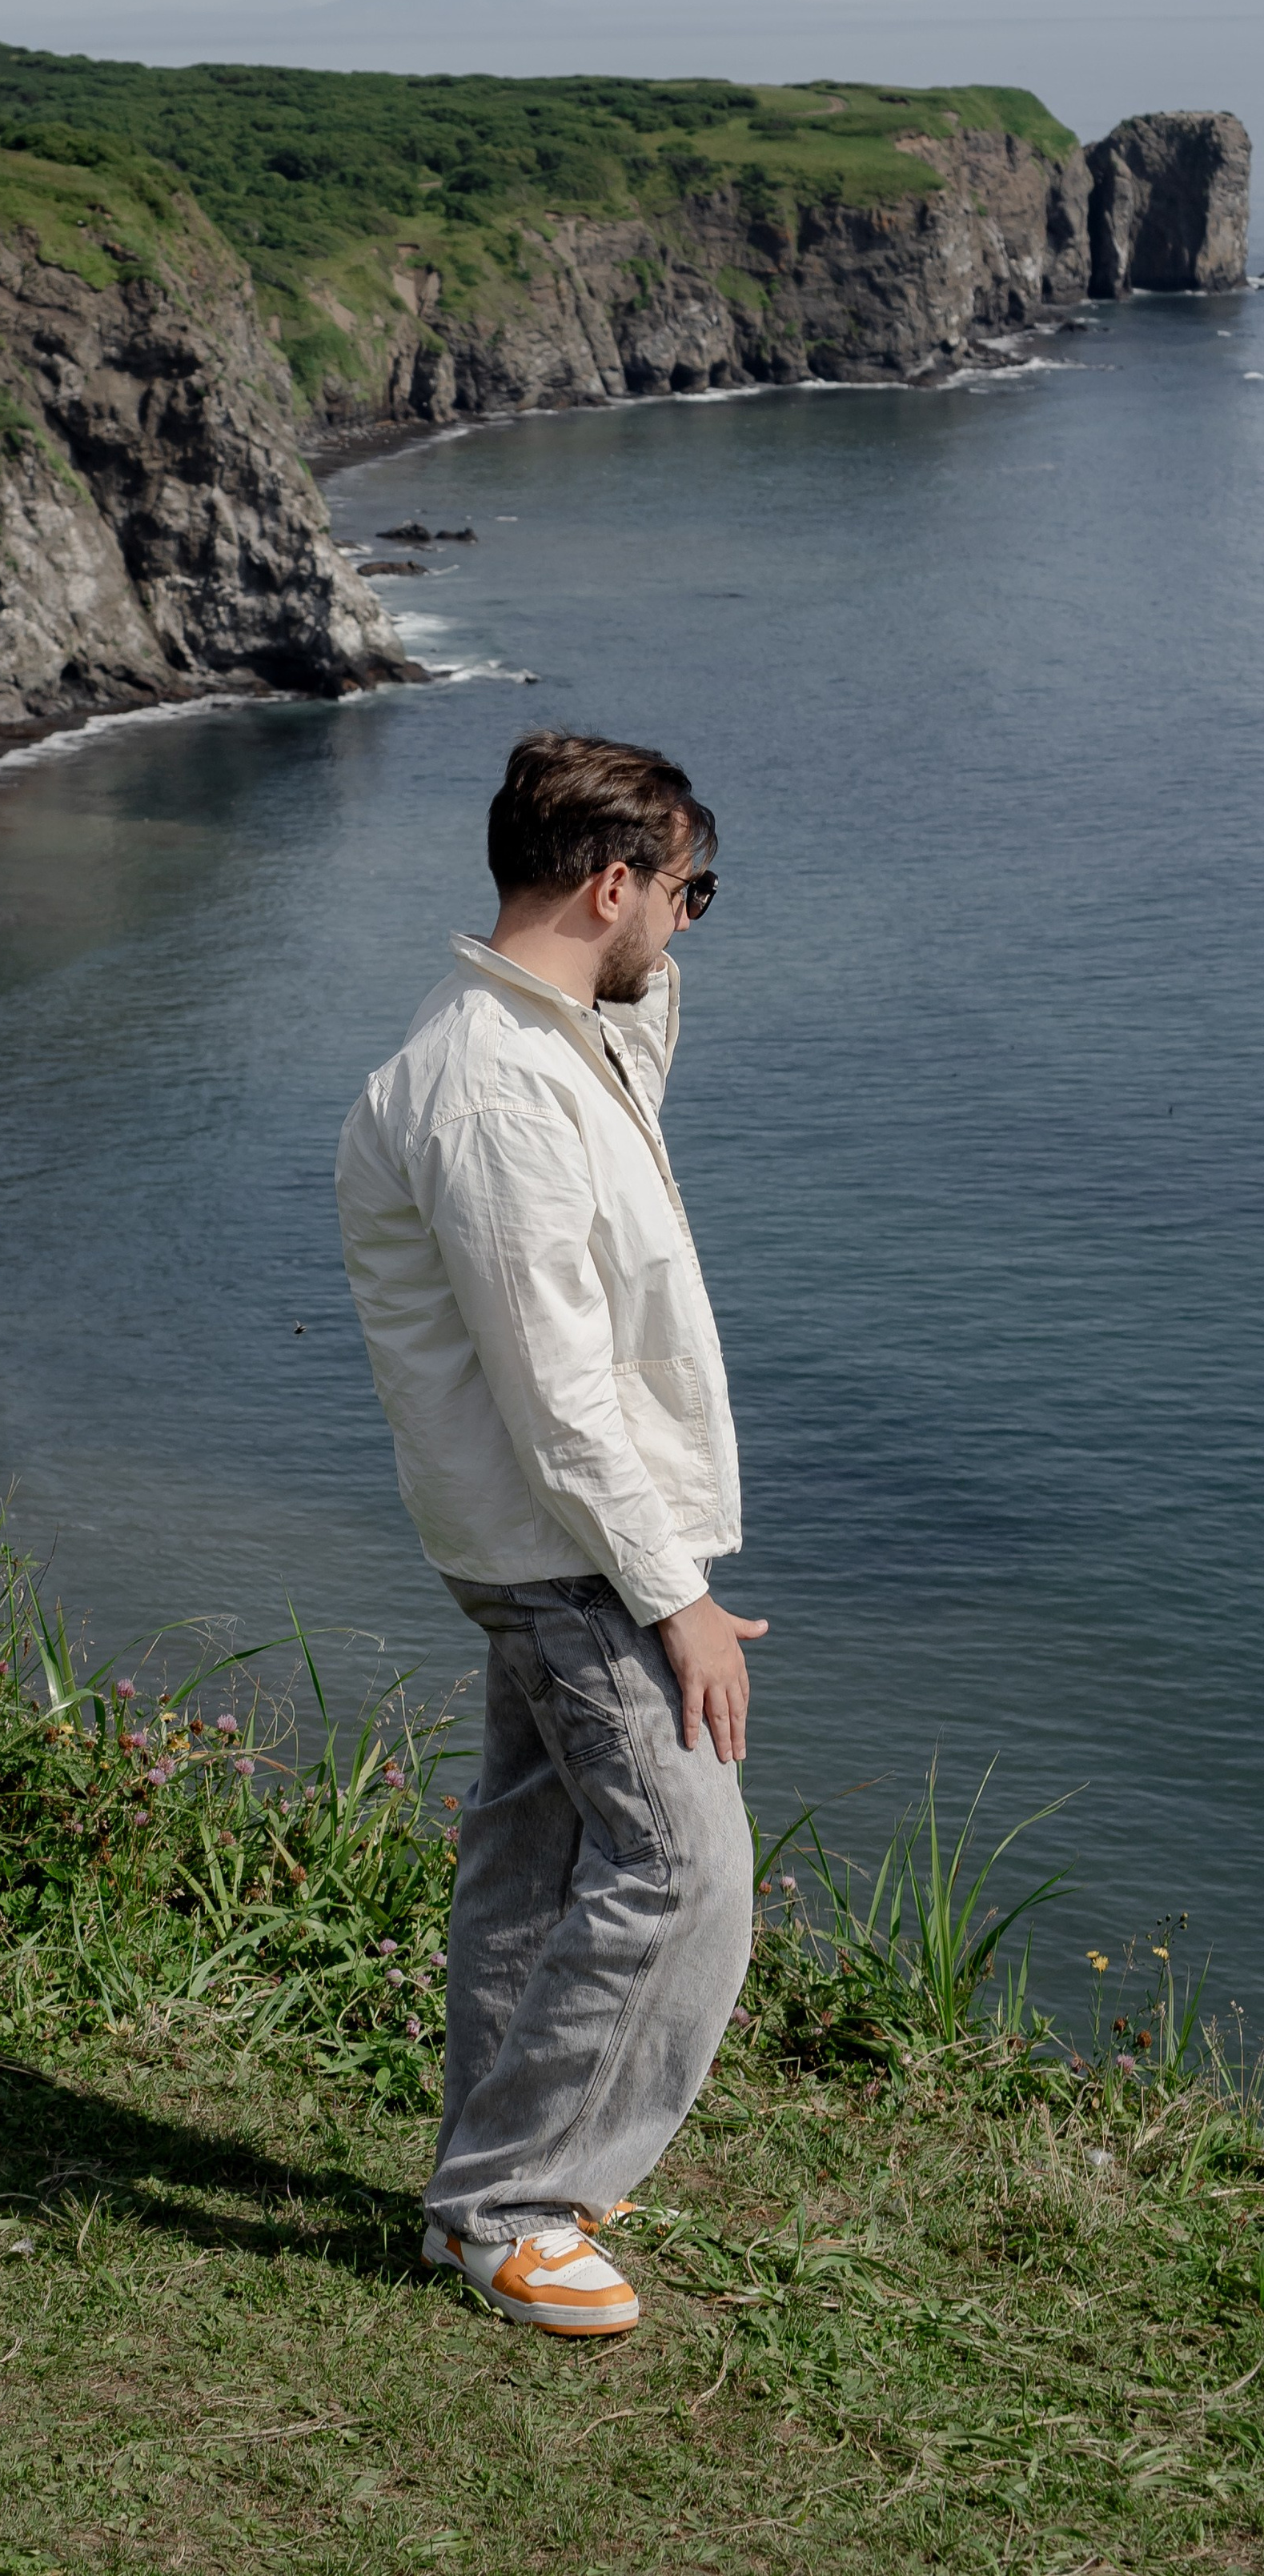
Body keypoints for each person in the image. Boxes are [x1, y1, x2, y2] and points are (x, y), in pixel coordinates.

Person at [335, 730, 766, 2339]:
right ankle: (512, 2206)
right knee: (680, 1872)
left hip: (544, 1530)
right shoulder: (494, 1095)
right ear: (608, 886)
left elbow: (634, 1036)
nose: (689, 921)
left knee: (530, 1859)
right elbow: (558, 1388)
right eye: (682, 892)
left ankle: (490, 2167)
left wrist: (656, 924)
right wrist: (679, 1600)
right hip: (563, 1537)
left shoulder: (542, 1043)